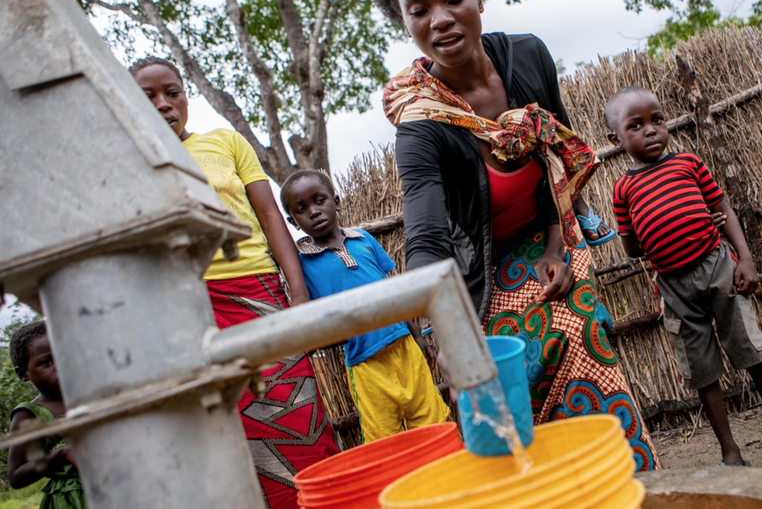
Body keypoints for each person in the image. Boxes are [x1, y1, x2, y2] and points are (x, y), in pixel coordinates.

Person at [368, 0, 659, 471]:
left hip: (548, 238)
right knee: (502, 390)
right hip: (476, 273)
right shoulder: (420, 124)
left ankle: (622, 480)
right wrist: (446, 335)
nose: (441, 19)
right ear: (402, 20)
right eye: (419, 9)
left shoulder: (527, 57)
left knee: (578, 331)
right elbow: (428, 238)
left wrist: (555, 246)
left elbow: (557, 160)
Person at [130, 58, 338, 508]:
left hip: (256, 295)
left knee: (297, 414)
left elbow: (269, 216)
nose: (164, 104)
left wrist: (296, 293)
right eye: (147, 97)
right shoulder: (126, 160)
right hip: (184, 309)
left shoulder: (225, 141)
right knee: (224, 431)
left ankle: (325, 500)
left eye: (173, 92)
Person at [606, 86, 762, 467]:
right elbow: (633, 249)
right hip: (673, 286)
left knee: (752, 351)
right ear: (615, 139)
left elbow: (724, 210)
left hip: (718, 267)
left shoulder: (689, 164)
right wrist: (653, 229)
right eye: (636, 125)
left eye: (657, 120)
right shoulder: (623, 189)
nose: (651, 130)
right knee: (701, 371)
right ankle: (729, 453)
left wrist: (745, 259)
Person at [280, 169, 451, 443]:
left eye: (319, 200)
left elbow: (392, 290)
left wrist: (418, 335)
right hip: (365, 364)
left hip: (405, 347)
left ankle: (448, 477)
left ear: (336, 201)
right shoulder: (303, 266)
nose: (313, 211)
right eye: (302, 209)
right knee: (384, 440)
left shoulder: (364, 240)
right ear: (294, 221)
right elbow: (313, 321)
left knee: (433, 423)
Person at [7, 321, 86, 509]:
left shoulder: (91, 398)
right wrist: (60, 454)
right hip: (71, 501)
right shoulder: (31, 416)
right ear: (23, 374)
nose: (60, 366)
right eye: (47, 362)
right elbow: (17, 475)